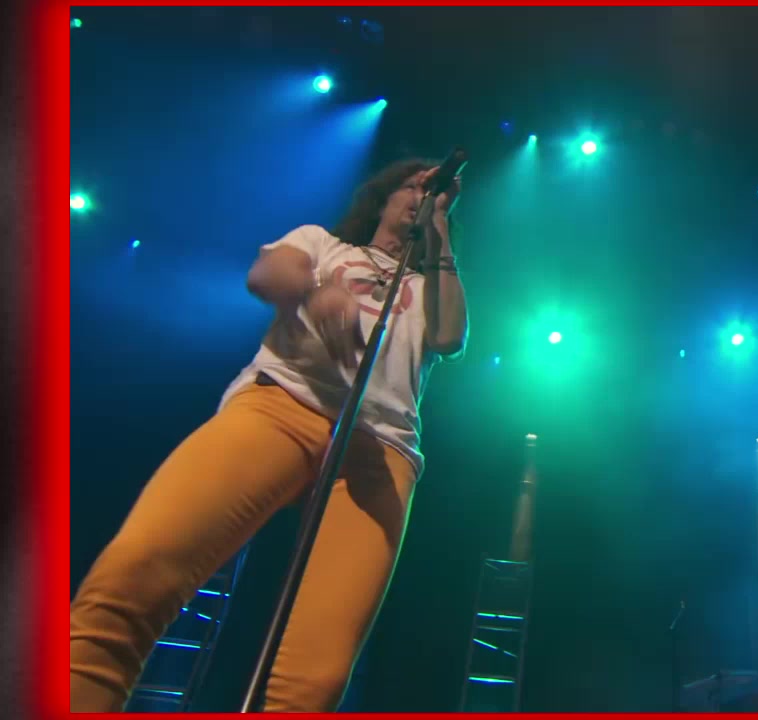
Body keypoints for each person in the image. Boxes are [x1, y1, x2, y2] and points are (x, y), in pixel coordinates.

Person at [69, 158, 468, 712]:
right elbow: (266, 275)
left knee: (315, 680)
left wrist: (439, 231)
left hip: (382, 444)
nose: (419, 198)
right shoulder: (323, 244)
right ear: (381, 198)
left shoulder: (428, 286)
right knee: (133, 577)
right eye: (410, 187)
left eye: (432, 195)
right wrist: (314, 293)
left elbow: (449, 338)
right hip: (282, 403)